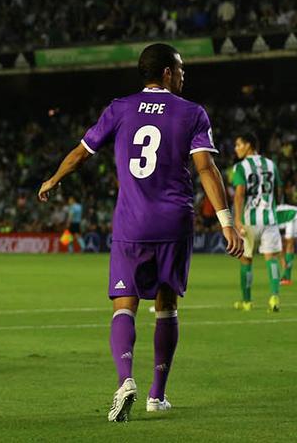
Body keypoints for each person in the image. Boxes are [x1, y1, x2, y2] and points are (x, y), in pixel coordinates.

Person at [37, 43, 240, 421]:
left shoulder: (120, 107)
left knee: (124, 305)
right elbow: (206, 169)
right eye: (180, 69)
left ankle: (124, 379)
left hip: (131, 222)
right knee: (166, 307)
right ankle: (156, 395)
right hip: (174, 222)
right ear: (165, 73)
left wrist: (54, 178)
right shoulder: (192, 112)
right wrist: (227, 222)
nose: (183, 75)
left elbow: (82, 152)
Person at [230, 134, 282, 312]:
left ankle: (247, 302)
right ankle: (274, 297)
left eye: (238, 145)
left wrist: (236, 219)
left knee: (246, 260)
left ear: (248, 145)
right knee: (272, 258)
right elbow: (278, 191)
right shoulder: (271, 164)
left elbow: (239, 194)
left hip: (249, 220)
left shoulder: (240, 167)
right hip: (270, 218)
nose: (236, 148)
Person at [275, 201, 297, 285]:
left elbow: (276, 241)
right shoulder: (269, 214)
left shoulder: (269, 219)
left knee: (289, 242)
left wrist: (281, 259)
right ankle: (286, 276)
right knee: (287, 243)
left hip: (295, 216)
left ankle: (287, 277)